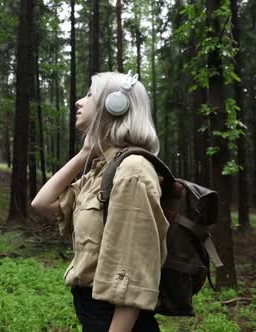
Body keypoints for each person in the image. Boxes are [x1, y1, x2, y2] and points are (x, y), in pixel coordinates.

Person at [31, 71, 169, 332]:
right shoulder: (101, 170)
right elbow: (42, 203)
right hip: (94, 314)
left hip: (117, 321)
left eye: (89, 95)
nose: (79, 102)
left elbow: (135, 270)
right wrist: (85, 153)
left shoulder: (133, 171)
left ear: (115, 105)